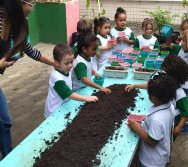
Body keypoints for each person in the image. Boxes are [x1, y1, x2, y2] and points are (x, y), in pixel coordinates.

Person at [0, 0, 55, 158]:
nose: (32, 8)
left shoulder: (17, 24)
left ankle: (7, 158)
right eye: (31, 3)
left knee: (4, 122)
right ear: (19, 3)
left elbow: (31, 51)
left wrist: (54, 63)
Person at [126, 55, 188, 138]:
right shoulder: (167, 86)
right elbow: (152, 86)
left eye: (167, 73)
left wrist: (179, 127)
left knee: (165, 138)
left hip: (171, 123)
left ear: (174, 76)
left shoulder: (180, 94)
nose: (164, 74)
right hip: (163, 119)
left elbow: (185, 112)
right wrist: (135, 85)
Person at [129, 73, 176, 167]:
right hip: (163, 153)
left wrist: (136, 127)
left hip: (152, 161)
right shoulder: (170, 106)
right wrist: (146, 118)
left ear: (153, 97)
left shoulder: (156, 120)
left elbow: (152, 142)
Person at [45, 43, 98, 118]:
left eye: (71, 62)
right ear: (57, 63)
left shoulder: (66, 70)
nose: (70, 65)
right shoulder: (57, 78)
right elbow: (69, 94)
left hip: (64, 104)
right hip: (54, 109)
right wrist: (86, 98)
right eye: (67, 63)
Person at [161, 19, 188, 96]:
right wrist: (172, 37)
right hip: (178, 83)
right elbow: (168, 44)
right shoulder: (180, 47)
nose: (185, 31)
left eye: (187, 29)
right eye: (183, 29)